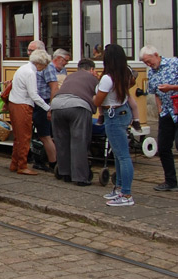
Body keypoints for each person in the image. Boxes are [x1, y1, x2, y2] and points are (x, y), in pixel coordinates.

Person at [94, 44, 136, 206]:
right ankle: (119, 187)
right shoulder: (125, 74)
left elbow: (98, 100)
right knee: (119, 153)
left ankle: (126, 194)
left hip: (113, 115)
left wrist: (93, 97)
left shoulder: (107, 78)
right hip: (123, 111)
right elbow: (129, 85)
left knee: (123, 155)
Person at [51, 58, 98, 186]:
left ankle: (65, 173)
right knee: (79, 142)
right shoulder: (94, 79)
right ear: (92, 69)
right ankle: (81, 178)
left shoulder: (69, 77)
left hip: (56, 105)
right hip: (78, 106)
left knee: (62, 141)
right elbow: (98, 97)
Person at [7, 49, 52, 175]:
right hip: (23, 105)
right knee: (25, 137)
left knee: (18, 137)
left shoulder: (23, 68)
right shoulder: (31, 73)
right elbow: (34, 95)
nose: (45, 68)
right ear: (40, 63)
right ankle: (22, 165)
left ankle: (14, 163)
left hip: (14, 103)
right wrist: (47, 107)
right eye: (45, 65)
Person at [140, 45, 178, 192]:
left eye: (149, 61)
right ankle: (170, 181)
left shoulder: (174, 63)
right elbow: (155, 92)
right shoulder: (152, 73)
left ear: (156, 54)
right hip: (166, 112)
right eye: (146, 63)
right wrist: (159, 107)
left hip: (177, 109)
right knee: (163, 147)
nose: (149, 65)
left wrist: (172, 87)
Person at [27, 40, 58, 172]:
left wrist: (51, 107)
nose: (28, 53)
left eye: (31, 50)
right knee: (37, 134)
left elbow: (54, 87)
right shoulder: (31, 65)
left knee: (45, 135)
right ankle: (38, 159)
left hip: (42, 103)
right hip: (34, 103)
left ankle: (53, 164)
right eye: (28, 50)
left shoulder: (47, 66)